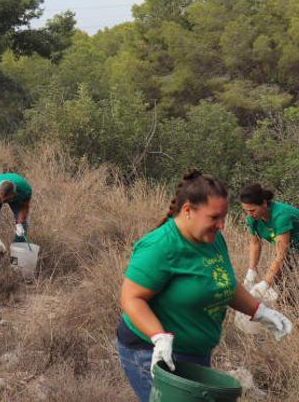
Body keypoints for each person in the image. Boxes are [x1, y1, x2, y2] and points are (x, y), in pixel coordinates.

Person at [117, 170, 293, 401]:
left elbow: (223, 283)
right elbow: (131, 298)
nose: (221, 225)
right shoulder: (160, 246)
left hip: (195, 354)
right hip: (152, 353)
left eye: (224, 217)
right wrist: (158, 336)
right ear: (188, 210)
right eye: (214, 218)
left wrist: (260, 312)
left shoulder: (213, 239)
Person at [239, 183, 299, 298]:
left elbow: (281, 255)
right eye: (246, 211)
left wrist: (264, 284)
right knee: (282, 283)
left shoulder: (281, 217)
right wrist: (251, 271)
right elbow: (255, 243)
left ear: (264, 203)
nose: (249, 215)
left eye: (252, 210)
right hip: (293, 249)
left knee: (288, 282)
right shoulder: (253, 219)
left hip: (293, 249)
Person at [0, 172, 32, 257]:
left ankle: (16, 256)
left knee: (22, 227)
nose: (2, 202)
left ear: (14, 194)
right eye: (1, 199)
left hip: (16, 193)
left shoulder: (25, 191)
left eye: (5, 200)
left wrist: (19, 223)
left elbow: (24, 207)